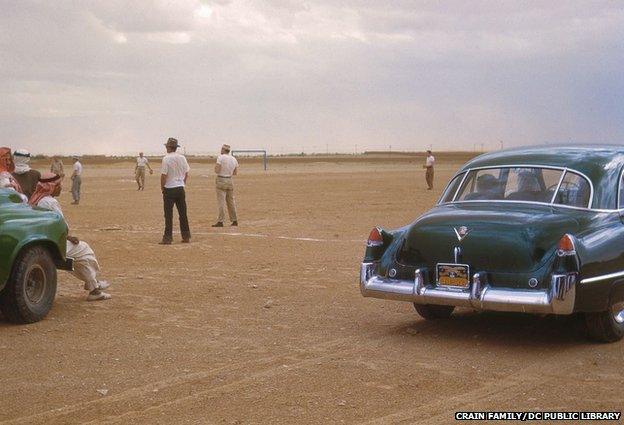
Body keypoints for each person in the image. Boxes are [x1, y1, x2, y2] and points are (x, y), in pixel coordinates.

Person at [29, 172, 111, 301]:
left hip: (39, 240)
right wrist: (69, 237)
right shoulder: (50, 202)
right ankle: (94, 290)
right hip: (52, 243)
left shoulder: (36, 199)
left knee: (80, 256)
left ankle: (93, 283)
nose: (61, 188)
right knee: (85, 251)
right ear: (52, 186)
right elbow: (61, 226)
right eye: (59, 185)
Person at [160, 137, 191, 244]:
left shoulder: (166, 159)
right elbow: (186, 173)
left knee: (168, 215)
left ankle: (168, 237)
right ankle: (186, 235)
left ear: (168, 147)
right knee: (183, 213)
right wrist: (182, 182)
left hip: (169, 188)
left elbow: (164, 175)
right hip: (180, 187)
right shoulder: (182, 158)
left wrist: (162, 187)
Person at [212, 144, 239, 227]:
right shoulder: (234, 159)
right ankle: (234, 220)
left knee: (221, 201)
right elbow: (235, 173)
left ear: (223, 150)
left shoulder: (220, 157)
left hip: (221, 179)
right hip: (229, 180)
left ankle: (221, 221)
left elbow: (217, 170)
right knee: (231, 201)